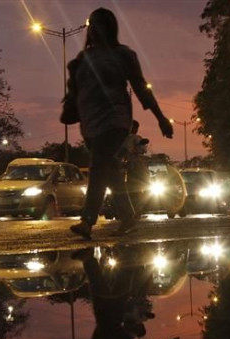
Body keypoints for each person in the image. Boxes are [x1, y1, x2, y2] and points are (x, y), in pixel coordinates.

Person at [68, 8, 173, 240]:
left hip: (115, 119)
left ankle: (87, 220)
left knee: (98, 166)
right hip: (90, 123)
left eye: (99, 25)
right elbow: (77, 91)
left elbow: (140, 86)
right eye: (91, 25)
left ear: (109, 27)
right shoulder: (83, 58)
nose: (94, 30)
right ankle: (128, 218)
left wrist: (161, 118)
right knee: (111, 170)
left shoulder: (123, 54)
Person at [122, 120, 150, 217]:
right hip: (127, 166)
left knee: (138, 187)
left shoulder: (137, 138)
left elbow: (143, 149)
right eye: (133, 127)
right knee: (128, 189)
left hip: (136, 166)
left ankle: (138, 209)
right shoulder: (124, 138)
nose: (134, 129)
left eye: (136, 128)